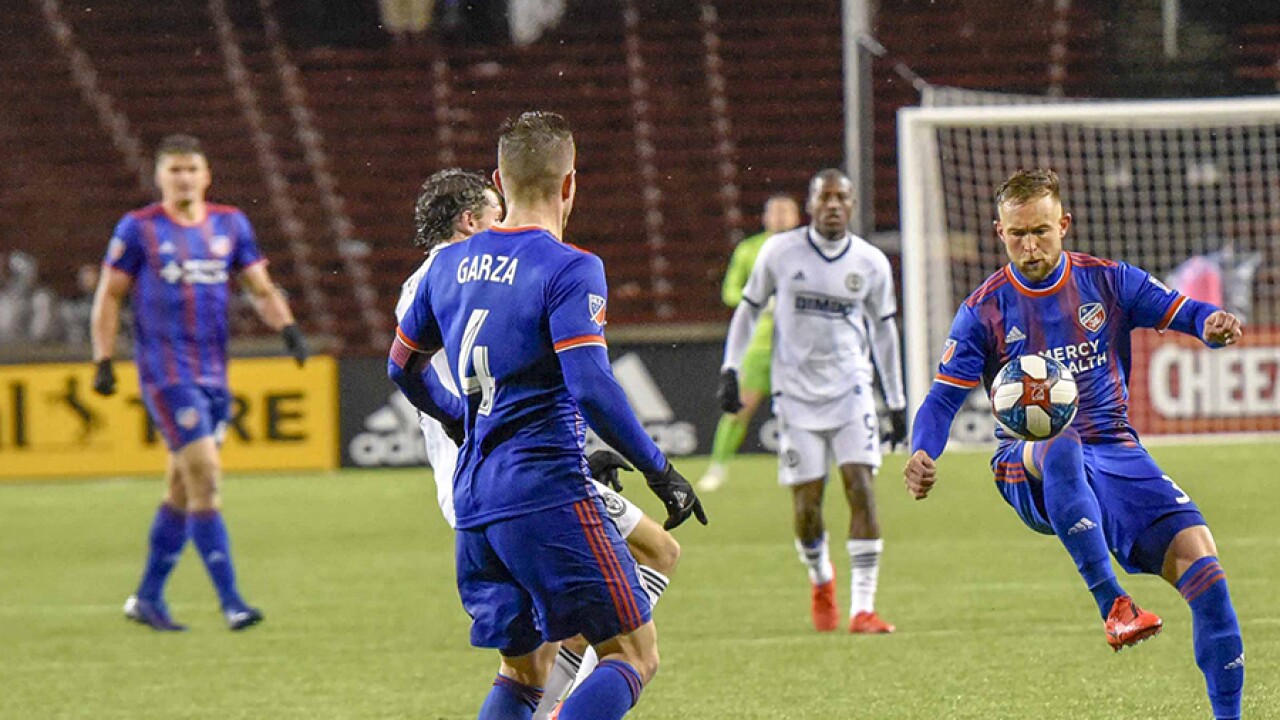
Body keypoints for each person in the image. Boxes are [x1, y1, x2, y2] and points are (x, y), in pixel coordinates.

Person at [389, 112, 706, 720]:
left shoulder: (447, 268)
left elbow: (402, 368)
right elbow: (590, 385)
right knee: (633, 655)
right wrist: (660, 469)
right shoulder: (569, 266)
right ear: (569, 186)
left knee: (524, 671)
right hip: (543, 490)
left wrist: (463, 421)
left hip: (474, 497)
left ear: (499, 181)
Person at [904, 169, 1245, 720]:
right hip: (1026, 462)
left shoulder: (1109, 281)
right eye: (1017, 235)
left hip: (1114, 449)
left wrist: (1213, 325)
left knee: (1206, 573)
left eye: (1040, 231)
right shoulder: (984, 310)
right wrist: (924, 451)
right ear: (1000, 232)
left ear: (1063, 224)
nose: (1030, 246)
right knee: (1057, 438)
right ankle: (1113, 604)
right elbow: (942, 400)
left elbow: (1186, 312)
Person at [91, 134, 309, 632]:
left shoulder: (231, 224)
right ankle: (232, 602)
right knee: (206, 476)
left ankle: (146, 598)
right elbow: (109, 295)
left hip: (214, 373)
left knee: (182, 488)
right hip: (166, 374)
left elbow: (259, 285)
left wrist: (289, 329)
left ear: (206, 174)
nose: (184, 178)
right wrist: (103, 359)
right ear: (160, 176)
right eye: (175, 170)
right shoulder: (139, 229)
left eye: (192, 169)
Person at [718, 168, 906, 634]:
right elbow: (748, 308)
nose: (834, 206)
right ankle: (821, 577)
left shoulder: (870, 262)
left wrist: (897, 401)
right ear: (811, 204)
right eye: (826, 198)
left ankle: (863, 607)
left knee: (860, 485)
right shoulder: (780, 253)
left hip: (851, 390)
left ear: (853, 206)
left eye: (843, 198)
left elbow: (884, 331)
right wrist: (730, 368)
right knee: (807, 506)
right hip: (795, 395)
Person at [698, 194, 801, 492]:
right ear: (765, 217)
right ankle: (717, 467)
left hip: (797, 345)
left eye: (786, 212)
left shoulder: (808, 250)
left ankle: (796, 465)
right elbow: (730, 291)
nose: (781, 218)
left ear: (797, 217)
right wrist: (758, 302)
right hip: (759, 345)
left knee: (799, 410)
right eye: (775, 212)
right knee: (739, 409)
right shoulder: (750, 250)